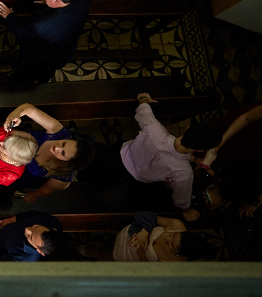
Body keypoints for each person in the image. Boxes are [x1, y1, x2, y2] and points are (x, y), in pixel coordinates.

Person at [83, 92, 221, 222]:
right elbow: (181, 199)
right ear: (200, 149)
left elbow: (143, 111)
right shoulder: (183, 173)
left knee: (93, 164)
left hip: (117, 153)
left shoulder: (155, 129)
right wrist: (187, 209)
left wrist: (144, 99)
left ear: (187, 129)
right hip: (130, 178)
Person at [0, 0, 90, 84]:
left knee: (25, 73)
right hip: (65, 52)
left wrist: (9, 15)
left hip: (38, 56)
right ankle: (42, 81)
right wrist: (48, 2)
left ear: (57, 0)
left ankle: (15, 83)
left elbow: (21, 31)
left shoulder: (42, 26)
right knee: (47, 72)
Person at [1, 103, 96, 203]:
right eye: (64, 143)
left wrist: (32, 196)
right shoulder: (59, 132)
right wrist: (16, 113)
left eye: (63, 153)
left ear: (68, 163)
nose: (57, 148)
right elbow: (30, 109)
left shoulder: (62, 178)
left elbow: (46, 189)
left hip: (16, 174)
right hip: (11, 143)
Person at [79, 211, 214, 262]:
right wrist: (145, 232)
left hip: (131, 255)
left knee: (110, 256)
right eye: (173, 235)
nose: (168, 239)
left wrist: (140, 252)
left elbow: (148, 270)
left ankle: (97, 253)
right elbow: (151, 217)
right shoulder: (175, 224)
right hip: (132, 233)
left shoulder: (175, 265)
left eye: (171, 244)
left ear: (181, 254)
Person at [0, 211, 64, 261]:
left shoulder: (23, 259)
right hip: (1, 231)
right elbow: (28, 215)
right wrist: (4, 223)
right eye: (35, 227)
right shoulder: (52, 222)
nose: (27, 229)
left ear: (40, 251)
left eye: (30, 237)